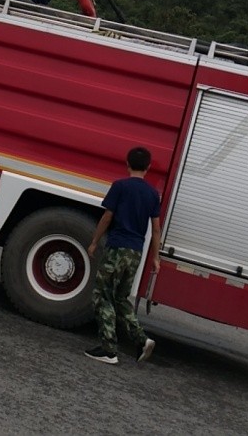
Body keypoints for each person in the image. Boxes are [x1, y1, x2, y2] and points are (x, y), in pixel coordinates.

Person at [84, 146, 161, 365]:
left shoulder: (120, 186)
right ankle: (142, 339)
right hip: (136, 252)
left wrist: (94, 241)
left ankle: (109, 350)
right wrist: (156, 258)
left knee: (103, 295)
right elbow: (156, 229)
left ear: (127, 164)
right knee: (120, 298)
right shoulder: (152, 194)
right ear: (148, 167)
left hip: (117, 247)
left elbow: (108, 217)